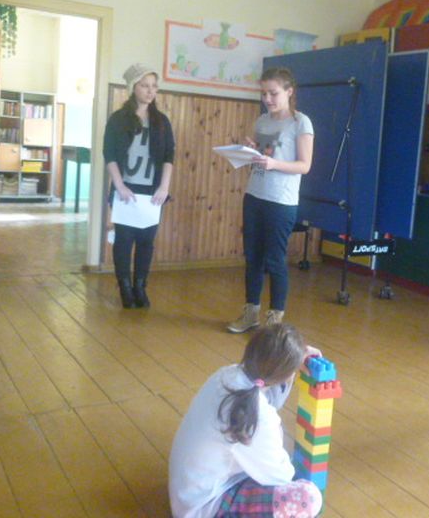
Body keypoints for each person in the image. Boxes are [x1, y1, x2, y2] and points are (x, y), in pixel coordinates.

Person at [169, 324, 324, 518]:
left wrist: (293, 359)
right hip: (205, 508)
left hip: (189, 493)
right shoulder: (259, 417)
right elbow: (281, 476)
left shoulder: (227, 374)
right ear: (286, 374)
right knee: (308, 497)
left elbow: (269, 397)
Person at [227, 67, 314, 333]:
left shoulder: (301, 122)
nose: (267, 99)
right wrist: (251, 151)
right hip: (255, 195)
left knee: (275, 260)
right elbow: (264, 158)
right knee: (252, 257)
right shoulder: (262, 121)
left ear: (289, 91)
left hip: (281, 201)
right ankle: (250, 313)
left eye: (273, 93)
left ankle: (274, 320)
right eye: (264, 93)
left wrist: (274, 163)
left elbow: (304, 165)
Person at [103, 64, 174, 308]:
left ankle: (140, 286)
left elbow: (169, 156)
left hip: (152, 192)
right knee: (123, 240)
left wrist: (164, 187)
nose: (150, 91)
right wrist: (119, 185)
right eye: (145, 86)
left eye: (154, 86)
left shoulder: (161, 121)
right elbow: (109, 154)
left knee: (146, 241)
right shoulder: (118, 119)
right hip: (126, 189)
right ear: (133, 87)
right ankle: (124, 286)